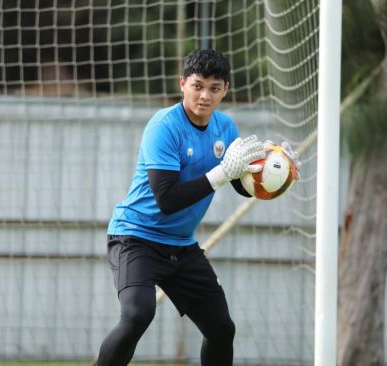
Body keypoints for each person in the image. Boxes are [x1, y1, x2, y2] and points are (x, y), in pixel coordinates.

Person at [96, 49, 265, 366]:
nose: (205, 95)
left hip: (181, 246)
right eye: (198, 85)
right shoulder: (164, 126)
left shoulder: (225, 127)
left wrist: (273, 174)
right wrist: (220, 173)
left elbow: (241, 184)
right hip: (136, 238)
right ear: (183, 83)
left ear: (225, 90)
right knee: (137, 315)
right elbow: (167, 199)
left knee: (221, 328)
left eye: (214, 88)